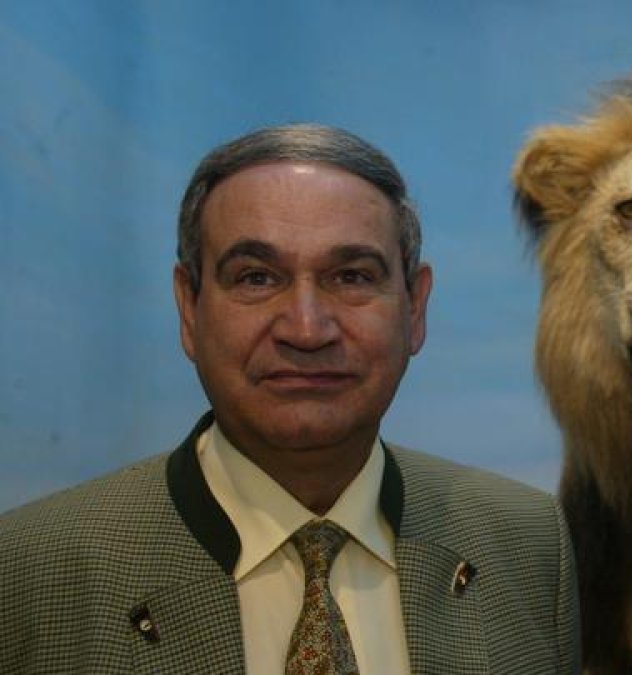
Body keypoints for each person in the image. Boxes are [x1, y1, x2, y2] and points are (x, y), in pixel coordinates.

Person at [0, 124, 581, 674]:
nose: (306, 329)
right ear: (189, 308)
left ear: (415, 308)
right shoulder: (29, 571)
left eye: (351, 276)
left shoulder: (528, 544)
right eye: (256, 277)